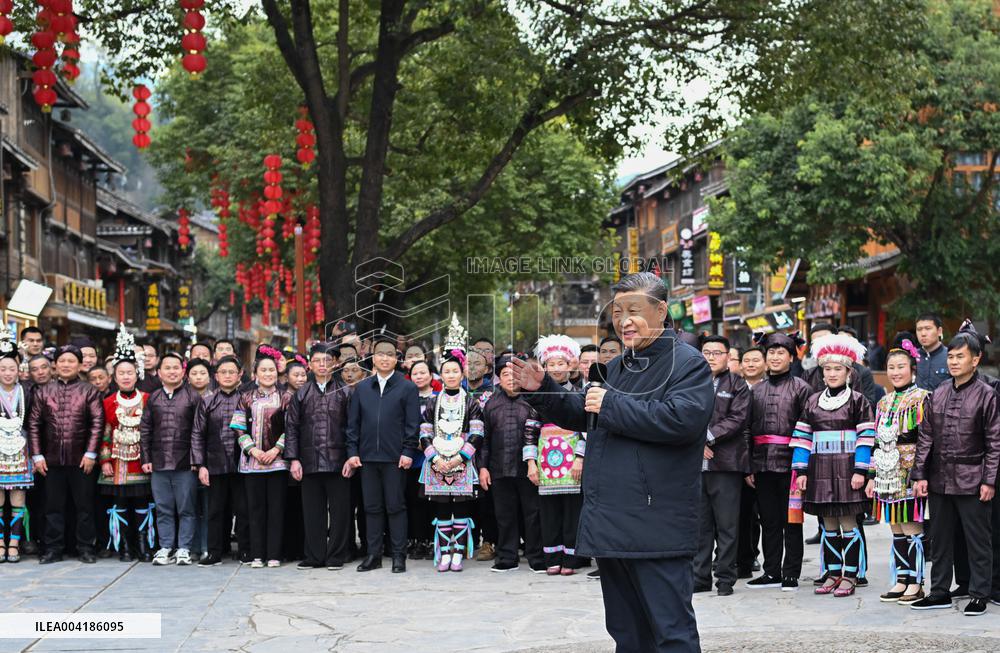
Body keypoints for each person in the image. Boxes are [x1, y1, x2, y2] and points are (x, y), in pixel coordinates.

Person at [510, 272, 714, 653]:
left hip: (657, 523)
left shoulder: (687, 364)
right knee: (626, 632)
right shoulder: (619, 365)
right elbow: (586, 410)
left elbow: (682, 420)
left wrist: (612, 404)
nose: (624, 321)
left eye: (634, 310)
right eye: (618, 312)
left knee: (671, 632)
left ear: (661, 311)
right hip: (611, 521)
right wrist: (545, 390)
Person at [911, 320, 1000, 616]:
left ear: (975, 360)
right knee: (939, 538)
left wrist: (989, 480)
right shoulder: (938, 392)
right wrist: (920, 474)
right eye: (950, 356)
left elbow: (994, 441)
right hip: (939, 479)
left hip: (973, 478)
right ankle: (939, 591)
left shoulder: (987, 394)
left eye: (960, 356)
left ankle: (979, 593)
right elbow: (926, 436)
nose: (953, 361)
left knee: (978, 540)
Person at [791, 333, 875, 597]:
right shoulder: (813, 401)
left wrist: (861, 470)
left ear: (848, 372)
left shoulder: (858, 401)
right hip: (820, 469)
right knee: (828, 524)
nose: (832, 373)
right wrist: (801, 471)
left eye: (838, 369)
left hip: (848, 469)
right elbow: (803, 437)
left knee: (848, 522)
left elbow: (866, 436)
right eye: (827, 369)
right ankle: (833, 572)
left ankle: (851, 574)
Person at [345, 336, 421, 573]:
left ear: (396, 359)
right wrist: (352, 452)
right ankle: (373, 555)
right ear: (372, 358)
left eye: (390, 354)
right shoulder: (362, 388)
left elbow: (413, 424)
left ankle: (399, 556)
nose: (385, 358)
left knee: (396, 507)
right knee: (371, 508)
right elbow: (352, 425)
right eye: (380, 354)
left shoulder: (407, 387)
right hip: (367, 459)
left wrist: (408, 451)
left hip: (395, 459)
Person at [865, 334, 931, 604]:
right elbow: (877, 441)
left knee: (912, 526)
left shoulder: (923, 398)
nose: (895, 372)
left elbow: (928, 439)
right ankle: (901, 578)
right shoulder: (883, 402)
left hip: (912, 468)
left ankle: (916, 581)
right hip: (887, 472)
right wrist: (871, 475)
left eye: (901, 366)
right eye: (891, 367)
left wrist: (921, 473)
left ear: (912, 369)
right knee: (896, 528)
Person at [745, 331, 813, 591]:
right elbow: (747, 430)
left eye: (780, 352)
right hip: (761, 465)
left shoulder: (802, 388)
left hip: (792, 465)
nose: (775, 357)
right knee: (768, 520)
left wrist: (804, 466)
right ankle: (771, 571)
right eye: (771, 352)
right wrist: (748, 466)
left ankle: (791, 573)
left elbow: (808, 429)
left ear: (791, 357)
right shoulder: (756, 390)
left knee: (792, 520)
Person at [28, 345, 105, 564]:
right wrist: (37, 455)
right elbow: (34, 424)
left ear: (79, 365)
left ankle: (86, 547)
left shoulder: (89, 390)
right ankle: (53, 548)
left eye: (71, 361)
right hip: (50, 460)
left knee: (84, 506)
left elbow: (97, 423)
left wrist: (91, 453)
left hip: (82, 459)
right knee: (52, 506)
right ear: (55, 365)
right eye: (62, 361)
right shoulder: (43, 391)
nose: (66, 365)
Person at [284, 343, 353, 571]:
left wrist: (351, 458)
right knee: (313, 512)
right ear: (310, 365)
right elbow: (291, 428)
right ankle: (314, 555)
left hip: (338, 461)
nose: (322, 365)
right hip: (309, 461)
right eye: (317, 361)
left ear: (334, 364)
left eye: (327, 361)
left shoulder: (345, 392)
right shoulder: (301, 394)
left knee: (341, 512)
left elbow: (353, 428)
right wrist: (293, 459)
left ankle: (336, 555)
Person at [524, 334, 586, 577]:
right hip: (546, 459)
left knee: (573, 511)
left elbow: (586, 428)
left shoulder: (580, 392)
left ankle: (571, 559)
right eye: (551, 364)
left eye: (561, 363)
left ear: (570, 365)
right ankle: (551, 557)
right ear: (545, 367)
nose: (557, 368)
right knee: (548, 512)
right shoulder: (538, 394)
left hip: (573, 459)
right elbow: (529, 429)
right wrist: (531, 463)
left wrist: (580, 457)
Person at [419, 344, 484, 572]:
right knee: (442, 509)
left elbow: (477, 433)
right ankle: (444, 552)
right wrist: (434, 459)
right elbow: (424, 433)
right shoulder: (432, 402)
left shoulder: (471, 402)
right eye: (447, 371)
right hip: (437, 461)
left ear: (462, 373)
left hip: (462, 462)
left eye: (455, 371)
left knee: (461, 508)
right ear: (441, 374)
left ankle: (458, 552)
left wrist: (460, 458)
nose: (451, 375)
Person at [695, 335, 751, 596]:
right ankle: (700, 577)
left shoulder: (738, 385)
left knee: (727, 525)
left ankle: (726, 578)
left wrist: (707, 437)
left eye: (717, 352)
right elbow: (681, 414)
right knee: (700, 525)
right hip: (694, 464)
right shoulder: (690, 382)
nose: (711, 357)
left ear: (728, 356)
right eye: (706, 352)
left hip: (726, 464)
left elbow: (737, 419)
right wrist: (695, 442)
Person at [480, 353, 544, 573]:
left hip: (528, 469)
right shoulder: (490, 404)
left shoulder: (532, 399)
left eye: (513, 374)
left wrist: (534, 464)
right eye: (505, 374)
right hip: (498, 469)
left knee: (532, 514)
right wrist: (483, 468)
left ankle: (536, 556)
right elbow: (485, 440)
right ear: (499, 378)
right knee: (504, 515)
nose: (510, 378)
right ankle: (507, 556)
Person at [230, 346, 291, 568]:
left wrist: (276, 450)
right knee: (254, 510)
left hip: (278, 463)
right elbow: (238, 428)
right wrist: (253, 451)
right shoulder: (245, 397)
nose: (268, 374)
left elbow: (292, 427)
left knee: (276, 509)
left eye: (272, 370)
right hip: (251, 464)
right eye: (263, 370)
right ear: (255, 374)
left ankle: (273, 554)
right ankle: (257, 554)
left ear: (277, 373)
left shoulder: (286, 397)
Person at [97, 325, 154, 563]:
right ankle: (124, 546)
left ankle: (143, 544)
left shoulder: (148, 399)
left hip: (141, 461)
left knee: (142, 502)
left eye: (130, 372)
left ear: (137, 373)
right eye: (121, 373)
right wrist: (105, 461)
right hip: (117, 462)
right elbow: (105, 433)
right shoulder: (108, 401)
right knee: (119, 504)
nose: (126, 376)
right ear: (115, 376)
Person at [140, 351, 201, 566]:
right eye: (167, 368)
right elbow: (145, 429)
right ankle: (166, 546)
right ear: (159, 372)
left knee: (186, 507)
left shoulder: (193, 396)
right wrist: (146, 457)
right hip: (158, 462)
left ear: (183, 372)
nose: (172, 371)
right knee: (163, 507)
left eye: (176, 367)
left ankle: (184, 548)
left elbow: (198, 430)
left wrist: (197, 459)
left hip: (185, 462)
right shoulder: (153, 397)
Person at [190, 355, 250, 565]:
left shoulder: (247, 399)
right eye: (223, 372)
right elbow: (197, 434)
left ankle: (245, 550)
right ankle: (214, 552)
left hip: (243, 463)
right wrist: (200, 465)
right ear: (216, 376)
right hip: (214, 464)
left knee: (243, 509)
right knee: (214, 510)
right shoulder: (207, 402)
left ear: (239, 374)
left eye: (231, 372)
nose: (227, 376)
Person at [0, 326, 32, 562]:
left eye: (12, 368)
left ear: (19, 370)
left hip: (21, 449)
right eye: (2, 368)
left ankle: (15, 542)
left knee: (18, 497)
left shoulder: (27, 391)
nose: (7, 373)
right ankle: (0, 542)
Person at [405, 359, 436, 559]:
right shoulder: (405, 398)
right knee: (413, 500)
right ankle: (416, 539)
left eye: (423, 372)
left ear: (431, 376)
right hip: (412, 457)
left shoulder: (439, 398)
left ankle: (432, 540)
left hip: (434, 457)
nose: (419, 376)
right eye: (415, 373)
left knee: (432, 501)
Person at [914, 313, 949, 391]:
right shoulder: (912, 356)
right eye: (919, 329)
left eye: (928, 328)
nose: (923, 334)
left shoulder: (950, 356)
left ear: (939, 331)